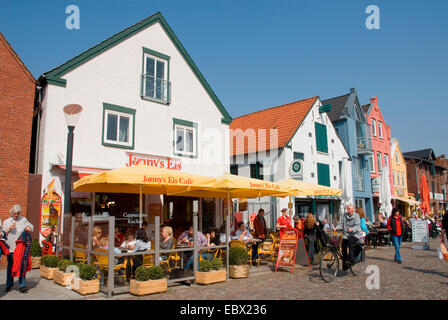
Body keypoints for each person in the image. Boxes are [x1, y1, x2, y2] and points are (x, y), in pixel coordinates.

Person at [2, 205, 34, 293]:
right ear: (11, 213)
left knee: (22, 265)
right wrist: (9, 229)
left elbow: (31, 226)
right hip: (11, 247)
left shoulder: (23, 220)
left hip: (21, 248)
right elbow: (3, 235)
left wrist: (29, 228)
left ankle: (22, 285)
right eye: (14, 213)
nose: (16, 215)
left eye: (18, 213)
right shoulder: (6, 222)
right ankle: (9, 285)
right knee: (11, 266)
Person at [337, 203, 362, 270]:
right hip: (346, 234)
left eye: (349, 208)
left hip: (355, 234)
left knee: (351, 241)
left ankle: (352, 259)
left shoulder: (356, 216)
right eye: (347, 208)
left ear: (353, 209)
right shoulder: (344, 215)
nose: (347, 209)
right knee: (343, 245)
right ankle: (345, 264)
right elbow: (341, 224)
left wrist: (352, 229)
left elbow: (357, 226)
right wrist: (336, 228)